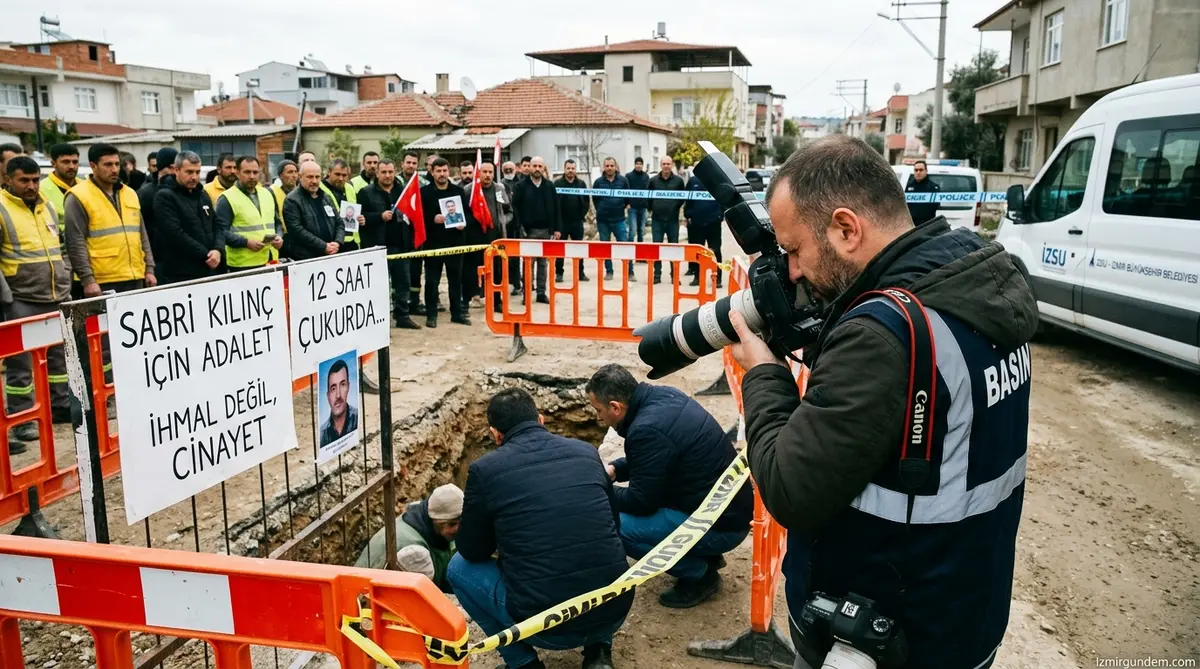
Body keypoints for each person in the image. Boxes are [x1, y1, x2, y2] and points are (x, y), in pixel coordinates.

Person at [727, 135, 1036, 669]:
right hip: (962, 613)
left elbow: (789, 490)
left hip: (879, 635)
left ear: (846, 229)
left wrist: (764, 374)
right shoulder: (971, 283)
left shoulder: (882, 334)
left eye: (795, 250)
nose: (792, 271)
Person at [449, 387, 631, 669]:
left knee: (458, 568)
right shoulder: (585, 452)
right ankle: (599, 652)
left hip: (546, 629)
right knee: (597, 538)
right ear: (541, 420)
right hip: (614, 611)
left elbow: (472, 551)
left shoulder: (484, 470)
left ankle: (524, 664)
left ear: (496, 434)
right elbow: (613, 523)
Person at [586, 363, 753, 608]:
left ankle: (700, 575)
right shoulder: (664, 397)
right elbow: (659, 456)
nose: (598, 418)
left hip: (722, 527)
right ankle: (706, 556)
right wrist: (617, 469)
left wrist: (601, 491)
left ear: (615, 406)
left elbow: (641, 502)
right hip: (728, 512)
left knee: (615, 526)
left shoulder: (645, 429)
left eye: (598, 410)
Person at [0, 157, 74, 452]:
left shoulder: (47, 206)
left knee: (58, 359)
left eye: (35, 180)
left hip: (55, 294)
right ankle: (23, 419)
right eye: (24, 180)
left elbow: (61, 247)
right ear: (8, 180)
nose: (31, 186)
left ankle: (60, 405)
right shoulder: (2, 209)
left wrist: (66, 275)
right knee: (20, 366)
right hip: (20, 298)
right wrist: (6, 298)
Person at [63, 143, 156, 297]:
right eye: (108, 165)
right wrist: (88, 280)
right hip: (102, 281)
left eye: (117, 164)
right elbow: (75, 242)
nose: (114, 169)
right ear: (93, 166)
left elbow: (142, 235)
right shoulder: (78, 196)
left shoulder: (130, 193)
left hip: (136, 276)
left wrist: (149, 269)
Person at [355, 483, 463, 591]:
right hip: (364, 592)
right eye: (451, 524)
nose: (457, 530)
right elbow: (422, 594)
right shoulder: (413, 553)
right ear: (435, 520)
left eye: (461, 522)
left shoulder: (423, 520)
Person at [359, 159, 419, 329]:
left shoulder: (403, 191)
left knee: (403, 283)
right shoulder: (365, 192)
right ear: (377, 173)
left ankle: (403, 316)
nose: (387, 175)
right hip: (378, 247)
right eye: (383, 172)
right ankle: (379, 320)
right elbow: (359, 218)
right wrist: (379, 217)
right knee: (379, 286)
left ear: (395, 172)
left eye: (390, 172)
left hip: (401, 245)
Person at [153, 151, 221, 284]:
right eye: (189, 172)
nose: (194, 177)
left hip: (209, 268)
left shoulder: (202, 194)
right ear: (176, 170)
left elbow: (216, 223)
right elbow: (175, 233)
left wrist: (218, 249)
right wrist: (207, 254)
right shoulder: (165, 197)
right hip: (181, 272)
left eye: (197, 172)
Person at [419, 158, 471, 327]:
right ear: (432, 172)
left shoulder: (458, 191)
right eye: (438, 171)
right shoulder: (424, 192)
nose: (442, 174)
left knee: (455, 280)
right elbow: (419, 217)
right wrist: (432, 219)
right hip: (433, 244)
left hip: (455, 242)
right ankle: (431, 315)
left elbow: (467, 213)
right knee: (432, 281)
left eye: (444, 171)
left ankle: (457, 314)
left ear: (449, 172)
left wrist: (463, 223)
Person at [214, 156, 283, 272]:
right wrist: (246, 243)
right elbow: (220, 232)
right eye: (247, 172)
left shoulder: (267, 194)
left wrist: (279, 236)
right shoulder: (227, 198)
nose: (252, 176)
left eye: (255, 172)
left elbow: (277, 222)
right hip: (242, 265)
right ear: (237, 173)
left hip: (270, 260)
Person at [461, 161, 511, 310]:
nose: (488, 175)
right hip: (474, 236)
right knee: (471, 269)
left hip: (495, 236)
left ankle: (496, 300)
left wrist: (502, 221)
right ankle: (468, 299)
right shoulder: (469, 190)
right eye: (484, 172)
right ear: (478, 173)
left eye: (490, 172)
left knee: (495, 269)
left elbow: (509, 211)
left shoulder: (499, 188)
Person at [511, 156, 559, 304]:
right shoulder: (520, 186)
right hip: (528, 231)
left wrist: (556, 229)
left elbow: (556, 207)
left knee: (543, 264)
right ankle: (526, 294)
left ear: (543, 168)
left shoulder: (549, 186)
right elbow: (515, 208)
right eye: (535, 166)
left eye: (540, 166)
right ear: (530, 167)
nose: (537, 169)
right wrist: (520, 227)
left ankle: (541, 293)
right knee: (528, 263)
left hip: (545, 231)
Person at [398, 151, 436, 317]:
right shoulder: (395, 182)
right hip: (399, 232)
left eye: (414, 163)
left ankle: (415, 301)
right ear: (402, 164)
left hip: (418, 231)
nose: (411, 166)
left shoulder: (424, 183)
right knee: (400, 271)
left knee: (416, 270)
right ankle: (399, 302)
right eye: (408, 162)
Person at [283, 161, 342, 261]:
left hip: (331, 255)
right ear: (300, 177)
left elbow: (339, 222)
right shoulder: (292, 200)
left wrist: (337, 242)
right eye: (310, 177)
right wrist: (324, 246)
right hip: (306, 259)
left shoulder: (326, 197)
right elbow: (297, 231)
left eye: (317, 177)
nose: (314, 181)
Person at [137, 146, 178, 271]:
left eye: (177, 168)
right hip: (156, 259)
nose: (174, 172)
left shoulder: (182, 191)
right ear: (160, 168)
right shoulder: (146, 193)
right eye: (170, 167)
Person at [647, 156, 685, 284]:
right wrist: (653, 208)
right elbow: (648, 197)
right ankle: (657, 275)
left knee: (673, 248)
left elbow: (682, 197)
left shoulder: (679, 181)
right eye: (664, 164)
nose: (666, 166)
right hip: (657, 220)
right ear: (660, 165)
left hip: (672, 220)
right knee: (656, 248)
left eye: (668, 164)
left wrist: (675, 207)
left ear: (672, 165)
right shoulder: (653, 181)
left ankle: (675, 275)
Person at [592, 158, 632, 280]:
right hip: (603, 220)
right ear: (604, 167)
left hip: (619, 219)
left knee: (625, 245)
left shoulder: (623, 180)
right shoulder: (598, 182)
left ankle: (629, 272)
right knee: (605, 247)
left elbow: (628, 197)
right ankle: (609, 271)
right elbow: (595, 199)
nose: (609, 168)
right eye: (607, 166)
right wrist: (601, 208)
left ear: (615, 166)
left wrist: (621, 206)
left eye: (611, 165)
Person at [684, 170, 724, 287]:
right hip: (697, 222)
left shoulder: (717, 181)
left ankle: (717, 279)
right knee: (698, 252)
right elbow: (688, 199)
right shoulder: (693, 181)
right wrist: (688, 215)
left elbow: (723, 198)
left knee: (715, 250)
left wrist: (720, 215)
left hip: (713, 222)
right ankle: (697, 277)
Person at [553, 159, 590, 283]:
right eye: (568, 168)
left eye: (572, 168)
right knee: (560, 249)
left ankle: (580, 273)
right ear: (564, 169)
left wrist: (581, 214)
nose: (570, 171)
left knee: (578, 248)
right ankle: (559, 273)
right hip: (562, 222)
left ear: (575, 170)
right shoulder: (557, 183)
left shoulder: (581, 184)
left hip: (577, 222)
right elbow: (554, 203)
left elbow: (586, 201)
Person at [320, 159, 364, 252]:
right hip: (331, 243)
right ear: (329, 172)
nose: (341, 178)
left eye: (344, 175)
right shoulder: (319, 188)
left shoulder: (350, 188)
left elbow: (354, 211)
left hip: (351, 241)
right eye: (337, 174)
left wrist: (360, 219)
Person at [39, 144, 81, 230]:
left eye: (75, 162)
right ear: (53, 164)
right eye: (66, 162)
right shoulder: (41, 189)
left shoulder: (86, 185)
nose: (71, 166)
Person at [320, 358, 357, 446]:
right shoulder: (322, 433)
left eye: (343, 385)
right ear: (328, 396)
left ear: (348, 387)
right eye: (333, 388)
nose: (338, 395)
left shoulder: (357, 417)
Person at [904, 160, 940, 226]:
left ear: (926, 171)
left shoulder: (933, 187)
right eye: (916, 170)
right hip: (912, 224)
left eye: (921, 170)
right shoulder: (908, 186)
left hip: (927, 224)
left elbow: (936, 206)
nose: (918, 172)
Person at [624, 157, 649, 243]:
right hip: (632, 207)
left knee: (641, 230)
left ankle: (640, 249)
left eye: (640, 164)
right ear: (634, 165)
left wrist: (647, 204)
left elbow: (647, 190)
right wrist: (627, 203)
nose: (639, 166)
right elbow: (626, 190)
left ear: (642, 165)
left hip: (643, 207)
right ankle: (629, 248)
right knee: (632, 230)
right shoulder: (628, 176)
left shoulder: (646, 176)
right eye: (637, 164)